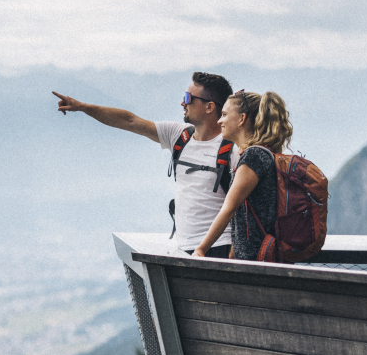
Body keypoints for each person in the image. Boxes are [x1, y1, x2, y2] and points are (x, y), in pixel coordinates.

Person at [52, 72, 234, 257]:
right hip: (186, 248)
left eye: (188, 98)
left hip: (220, 246)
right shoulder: (179, 136)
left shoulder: (231, 149)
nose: (182, 103)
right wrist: (83, 107)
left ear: (209, 107)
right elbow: (130, 121)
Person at [193, 90, 294, 260]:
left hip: (257, 262)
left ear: (242, 119)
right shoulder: (261, 154)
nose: (219, 120)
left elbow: (229, 209)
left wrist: (201, 249)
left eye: (224, 114)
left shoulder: (253, 156)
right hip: (262, 258)